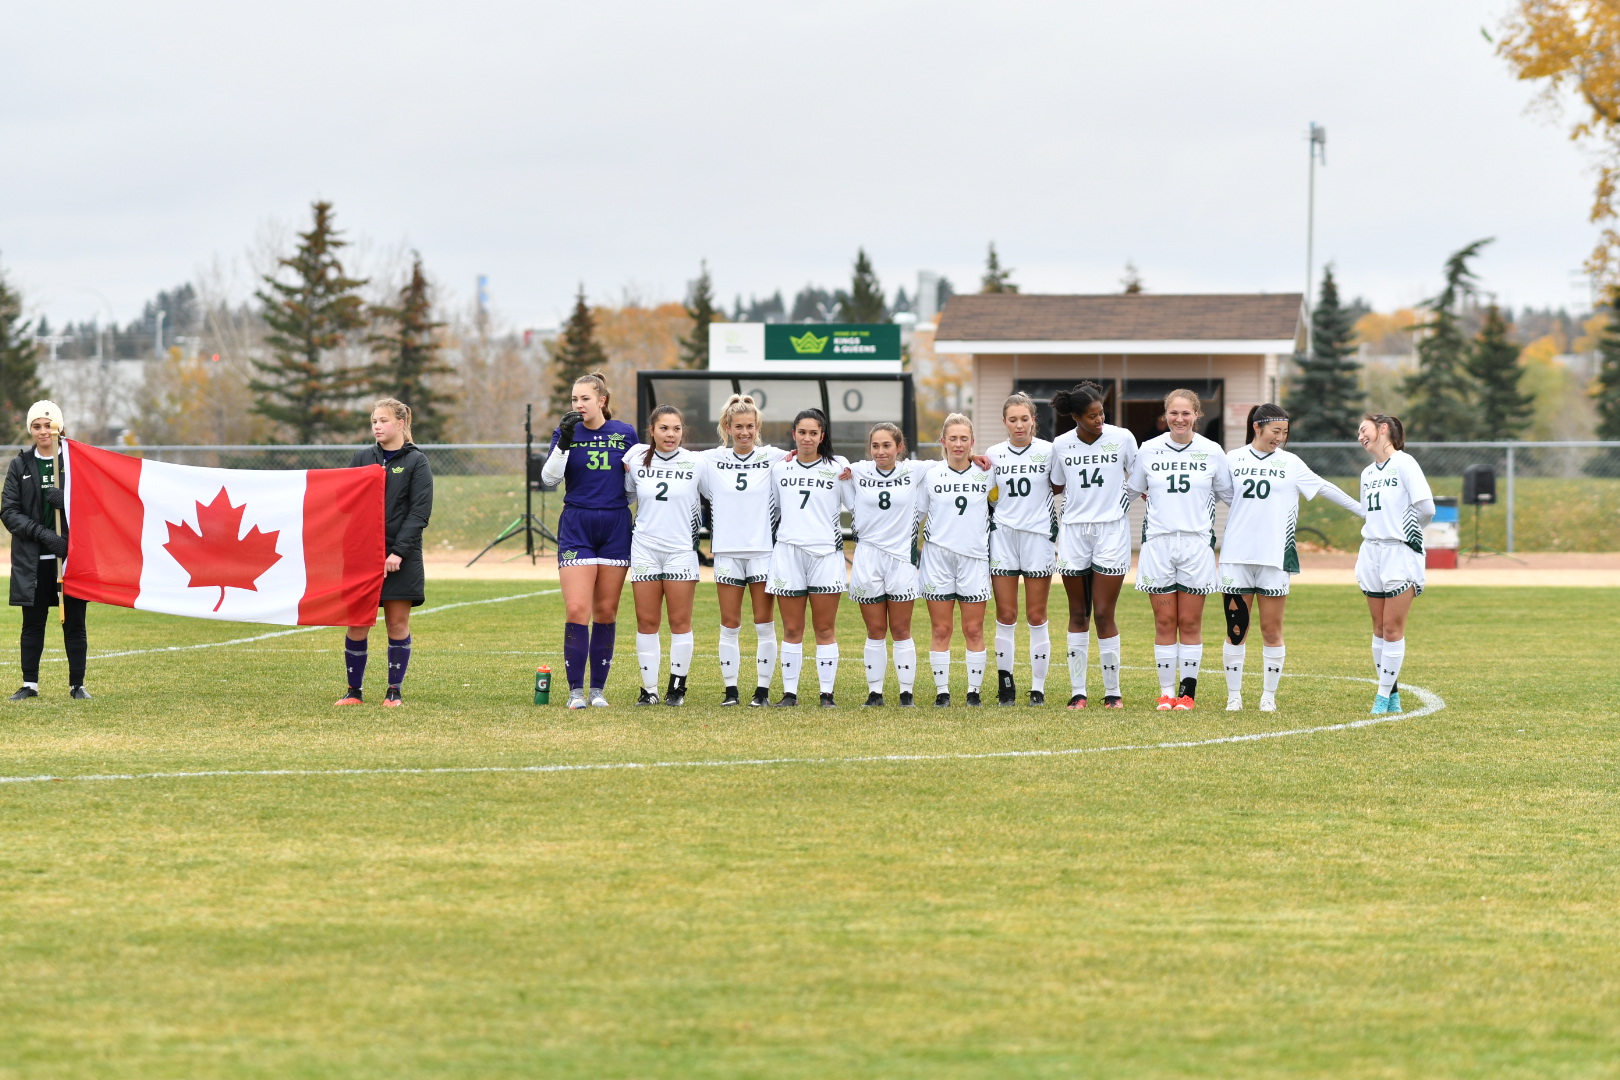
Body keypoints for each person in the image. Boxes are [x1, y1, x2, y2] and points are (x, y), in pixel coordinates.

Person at [1219, 403, 1363, 712]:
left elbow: (1324, 488)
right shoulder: (1231, 460)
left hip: (1275, 557)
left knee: (1271, 630)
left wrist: (1365, 511)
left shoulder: (1291, 463)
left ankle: (1268, 697)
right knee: (1236, 629)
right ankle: (1234, 697)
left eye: (1284, 433)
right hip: (1236, 557)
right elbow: (1212, 492)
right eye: (1275, 432)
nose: (1280, 438)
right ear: (1257, 427)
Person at [1127, 388, 1234, 710]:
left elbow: (1232, 497)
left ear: (1197, 415)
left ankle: (1186, 694)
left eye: (1186, 413)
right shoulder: (1148, 450)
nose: (1179, 419)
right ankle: (1165, 693)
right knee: (1163, 623)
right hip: (1158, 544)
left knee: (1189, 623)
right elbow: (1128, 492)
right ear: (1165, 415)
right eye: (1173, 413)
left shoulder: (1212, 451)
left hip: (1196, 544)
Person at [540, 372, 639, 709]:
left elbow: (631, 487)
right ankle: (575, 692)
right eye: (573, 399)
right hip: (577, 524)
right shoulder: (565, 433)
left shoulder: (625, 433)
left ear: (602, 400)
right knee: (577, 608)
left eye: (585, 398)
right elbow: (549, 480)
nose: (578, 405)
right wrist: (565, 441)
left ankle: (597, 690)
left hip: (614, 525)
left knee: (606, 611)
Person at [337, 399, 433, 707]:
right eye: (374, 421)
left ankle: (394, 691)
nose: (377, 426)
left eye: (383, 420)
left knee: (396, 623)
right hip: (363, 556)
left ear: (401, 424)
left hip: (400, 558)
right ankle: (354, 692)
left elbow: (419, 513)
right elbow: (343, 502)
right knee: (357, 623)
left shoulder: (417, 462)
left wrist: (398, 553)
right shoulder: (363, 458)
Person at [1049, 381, 1138, 709]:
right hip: (1073, 532)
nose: (1099, 420)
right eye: (1091, 416)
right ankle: (1078, 692)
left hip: (1112, 531)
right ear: (1075, 417)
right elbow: (1056, 485)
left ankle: (1113, 692)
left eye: (1101, 413)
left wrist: (1120, 499)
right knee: (1077, 612)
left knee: (1103, 612)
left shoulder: (1123, 438)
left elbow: (1139, 476)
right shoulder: (1060, 445)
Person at [696, 394, 783, 707]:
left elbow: (809, 459)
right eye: (738, 426)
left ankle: (762, 691)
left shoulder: (774, 457)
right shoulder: (709, 459)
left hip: (762, 552)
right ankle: (731, 691)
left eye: (750, 426)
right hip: (726, 553)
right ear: (727, 427)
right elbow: (674, 457)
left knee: (764, 624)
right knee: (729, 624)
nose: (744, 432)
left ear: (757, 426)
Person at [2, 400, 89, 700]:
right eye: (37, 426)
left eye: (49, 426)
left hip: (71, 557)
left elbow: (93, 507)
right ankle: (30, 684)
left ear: (60, 428)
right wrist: (41, 533)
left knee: (74, 622)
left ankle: (77, 685)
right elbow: (9, 511)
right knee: (33, 622)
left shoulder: (75, 463)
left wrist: (65, 502)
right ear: (31, 430)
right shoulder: (21, 465)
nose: (44, 432)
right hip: (33, 558)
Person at [765, 408, 850, 707]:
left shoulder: (838, 467)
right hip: (788, 552)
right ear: (793, 434)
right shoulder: (780, 468)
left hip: (825, 553)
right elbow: (773, 511)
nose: (807, 438)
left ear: (822, 436)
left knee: (825, 628)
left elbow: (854, 503)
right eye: (802, 432)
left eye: (814, 433)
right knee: (791, 628)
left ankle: (827, 694)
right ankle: (790, 694)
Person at [842, 422, 926, 707]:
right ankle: (875, 693)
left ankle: (906, 694)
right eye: (875, 446)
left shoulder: (914, 470)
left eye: (887, 445)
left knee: (902, 630)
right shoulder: (857, 470)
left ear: (899, 448)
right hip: (867, 558)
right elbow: (827, 463)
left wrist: (976, 457)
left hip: (901, 559)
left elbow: (952, 459)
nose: (881, 451)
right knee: (875, 631)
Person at [624, 405, 703, 707]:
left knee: (680, 621)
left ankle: (677, 689)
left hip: (681, 550)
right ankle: (649, 690)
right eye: (664, 428)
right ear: (652, 431)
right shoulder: (635, 459)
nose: (670, 434)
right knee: (646, 621)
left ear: (683, 431)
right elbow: (629, 496)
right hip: (644, 547)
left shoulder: (697, 463)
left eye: (676, 429)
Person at [1355, 413, 1433, 715]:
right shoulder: (1367, 473)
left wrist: (1409, 532)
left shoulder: (1405, 463)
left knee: (1392, 627)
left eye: (1364, 430)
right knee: (1378, 628)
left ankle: (1381, 697)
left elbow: (1426, 507)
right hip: (1372, 552)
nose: (1360, 436)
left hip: (1399, 554)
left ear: (1383, 429)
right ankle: (1394, 696)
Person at [917, 413, 994, 707]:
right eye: (953, 438)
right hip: (937, 558)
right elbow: (918, 515)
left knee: (973, 629)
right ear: (943, 441)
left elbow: (998, 504)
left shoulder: (987, 472)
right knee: (941, 629)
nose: (958, 444)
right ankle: (942, 692)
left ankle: (973, 693)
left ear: (972, 442)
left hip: (974, 559)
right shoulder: (931, 474)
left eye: (964, 439)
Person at [986, 393, 1057, 706]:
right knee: (1006, 614)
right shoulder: (993, 454)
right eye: (1012, 419)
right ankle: (1006, 684)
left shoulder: (1049, 452)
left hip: (1038, 538)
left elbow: (1063, 485)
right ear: (1004, 422)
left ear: (1033, 421)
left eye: (1024, 419)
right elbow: (987, 495)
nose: (1019, 425)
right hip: (1003, 537)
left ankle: (1038, 688)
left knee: (1036, 614)